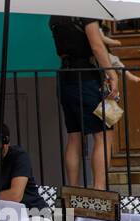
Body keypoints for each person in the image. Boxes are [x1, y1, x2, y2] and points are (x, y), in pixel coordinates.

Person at [49, 15, 119, 190]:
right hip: (86, 77)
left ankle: (72, 190)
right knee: (103, 134)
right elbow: (96, 46)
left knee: (74, 136)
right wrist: (112, 73)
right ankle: (99, 190)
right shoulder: (85, 12)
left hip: (65, 77)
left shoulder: (56, 15)